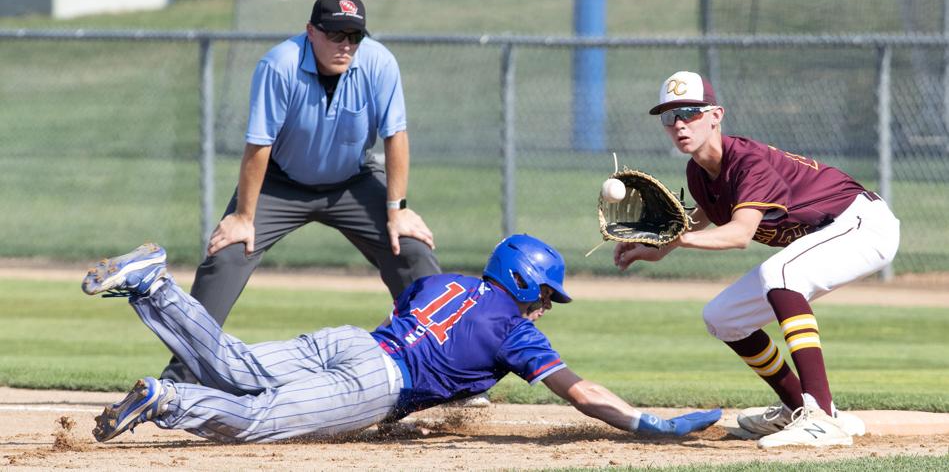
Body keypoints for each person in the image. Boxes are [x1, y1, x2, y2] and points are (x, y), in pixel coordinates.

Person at [81, 236, 721, 444]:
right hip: (377, 381)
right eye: (546, 294)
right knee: (258, 418)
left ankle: (153, 287)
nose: (546, 305)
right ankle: (168, 401)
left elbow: (416, 313)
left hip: (350, 341)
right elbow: (581, 393)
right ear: (525, 285)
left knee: (235, 361)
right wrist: (642, 422)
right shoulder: (512, 330)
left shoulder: (447, 284)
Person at [161, 0, 441, 384]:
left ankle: (441, 367)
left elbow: (396, 135)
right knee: (225, 257)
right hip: (281, 182)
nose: (346, 44)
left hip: (353, 182)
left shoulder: (378, 62)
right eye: (335, 34)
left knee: (411, 249)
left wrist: (398, 209)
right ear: (311, 31)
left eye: (354, 36)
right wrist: (243, 216)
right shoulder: (280, 65)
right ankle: (181, 377)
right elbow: (259, 144)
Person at [614, 71, 900, 449]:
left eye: (690, 112)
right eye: (670, 117)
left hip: (862, 224)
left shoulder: (748, 163)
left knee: (782, 273)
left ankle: (821, 415)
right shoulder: (699, 171)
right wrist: (660, 246)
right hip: (830, 233)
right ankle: (797, 407)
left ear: (716, 115)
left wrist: (677, 240)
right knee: (723, 317)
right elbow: (708, 211)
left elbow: (739, 234)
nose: (680, 123)